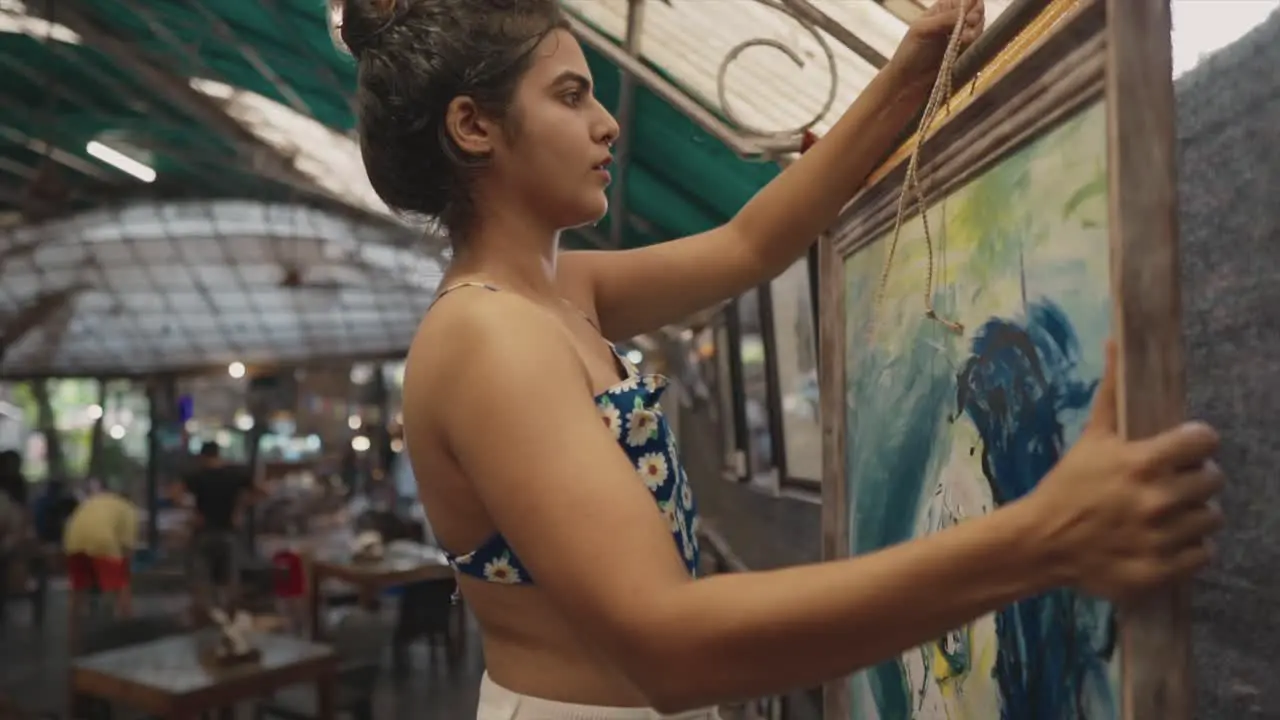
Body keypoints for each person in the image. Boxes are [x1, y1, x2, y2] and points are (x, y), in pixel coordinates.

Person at [334, 0, 1226, 716]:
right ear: (473, 126)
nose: (608, 124)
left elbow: (750, 244)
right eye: (570, 96)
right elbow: (672, 646)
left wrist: (906, 75)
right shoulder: (489, 337)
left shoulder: (558, 296)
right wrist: (1045, 535)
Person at [180, 442, 257, 611]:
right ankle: (229, 617)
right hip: (228, 531)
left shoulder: (197, 475)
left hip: (204, 532)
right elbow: (262, 491)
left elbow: (174, 492)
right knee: (230, 576)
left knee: (201, 576)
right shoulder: (235, 474)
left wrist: (192, 512)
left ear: (202, 457)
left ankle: (208, 614)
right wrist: (240, 509)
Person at [62, 489, 139, 621]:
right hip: (101, 540)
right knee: (121, 585)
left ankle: (73, 630)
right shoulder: (129, 509)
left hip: (72, 538)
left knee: (78, 588)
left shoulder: (95, 500)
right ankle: (127, 624)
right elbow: (127, 548)